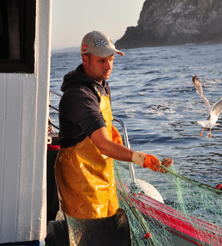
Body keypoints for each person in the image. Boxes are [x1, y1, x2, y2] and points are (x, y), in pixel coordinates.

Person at [55, 30, 173, 219]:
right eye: (102, 61)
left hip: (103, 174)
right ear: (85, 59)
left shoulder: (100, 84)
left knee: (108, 227)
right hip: (82, 180)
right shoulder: (79, 96)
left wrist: (111, 129)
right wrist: (142, 159)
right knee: (90, 237)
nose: (108, 66)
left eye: (111, 59)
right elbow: (103, 144)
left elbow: (99, 123)